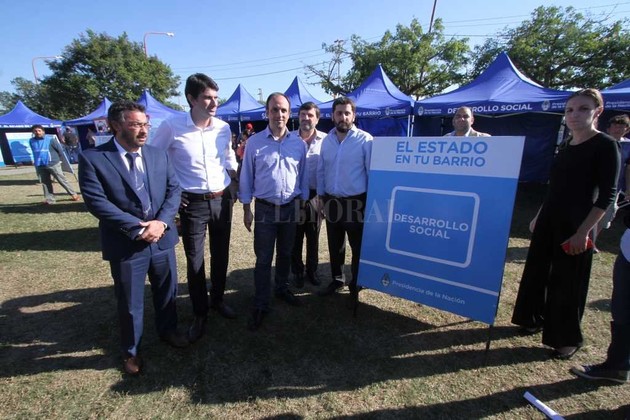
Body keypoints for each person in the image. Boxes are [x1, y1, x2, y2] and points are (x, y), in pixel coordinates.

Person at [78, 101, 188, 375]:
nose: (144, 130)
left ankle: (168, 330)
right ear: (115, 125)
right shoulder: (93, 158)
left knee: (167, 291)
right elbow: (97, 202)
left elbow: (174, 190)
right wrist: (138, 228)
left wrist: (161, 223)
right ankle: (132, 351)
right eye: (136, 125)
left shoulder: (158, 155)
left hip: (161, 238)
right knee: (130, 301)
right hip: (126, 244)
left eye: (145, 124)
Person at [511, 89, 620, 360]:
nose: (574, 115)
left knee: (568, 281)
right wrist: (539, 215)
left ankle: (567, 340)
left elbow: (606, 196)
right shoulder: (566, 145)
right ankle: (532, 319)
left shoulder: (606, 145)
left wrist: (584, 231)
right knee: (537, 272)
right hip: (549, 218)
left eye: (583, 109)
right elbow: (554, 187)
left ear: (598, 112)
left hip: (576, 222)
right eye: (570, 110)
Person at [152, 73, 239, 343]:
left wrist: (233, 182)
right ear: (191, 99)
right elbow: (154, 159)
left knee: (221, 254)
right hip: (192, 204)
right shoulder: (171, 126)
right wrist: (172, 194)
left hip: (222, 199)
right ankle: (200, 312)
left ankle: (218, 299)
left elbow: (228, 157)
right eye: (207, 98)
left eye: (216, 97)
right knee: (195, 260)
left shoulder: (223, 128)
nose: (214, 103)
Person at [239, 92, 309, 331]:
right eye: (275, 109)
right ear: (267, 112)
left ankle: (281, 288)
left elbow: (303, 176)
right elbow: (246, 176)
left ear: (289, 114)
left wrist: (302, 203)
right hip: (265, 210)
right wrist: (246, 208)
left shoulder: (298, 144)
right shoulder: (254, 143)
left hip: (290, 208)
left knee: (286, 253)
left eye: (284, 110)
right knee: (263, 258)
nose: (279, 114)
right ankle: (261, 302)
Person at [314, 96, 373, 305]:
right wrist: (321, 196)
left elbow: (371, 172)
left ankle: (356, 284)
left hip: (356, 203)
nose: (343, 117)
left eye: (347, 113)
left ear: (353, 116)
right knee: (335, 245)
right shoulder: (326, 141)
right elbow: (321, 171)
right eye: (339, 113)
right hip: (331, 201)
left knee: (358, 248)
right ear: (332, 116)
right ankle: (337, 280)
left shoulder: (365, 140)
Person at [570, 211, 630, 384]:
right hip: (627, 252)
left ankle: (618, 365)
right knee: (621, 311)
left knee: (623, 311)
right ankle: (617, 366)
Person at [291, 102, 326, 288]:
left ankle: (312, 271)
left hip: (315, 196)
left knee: (313, 237)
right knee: (295, 237)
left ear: (317, 119)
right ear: (298, 117)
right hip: (294, 196)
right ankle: (297, 271)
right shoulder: (288, 139)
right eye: (303, 114)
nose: (306, 118)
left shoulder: (326, 141)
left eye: (310, 115)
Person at [594, 114, 630, 244]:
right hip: (593, 185)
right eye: (615, 126)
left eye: (621, 126)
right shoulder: (598, 141)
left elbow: (629, 169)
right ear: (608, 128)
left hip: (613, 188)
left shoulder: (628, 146)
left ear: (627, 129)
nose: (617, 129)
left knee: (605, 215)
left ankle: (591, 242)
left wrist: (629, 189)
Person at [28, 124, 80, 205]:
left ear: (43, 131)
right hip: (40, 164)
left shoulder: (51, 140)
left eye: (39, 131)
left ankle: (73, 194)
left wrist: (60, 161)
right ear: (33, 132)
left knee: (61, 180)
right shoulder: (31, 141)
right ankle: (49, 199)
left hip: (53, 164)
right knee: (45, 182)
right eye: (35, 131)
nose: (37, 132)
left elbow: (60, 150)